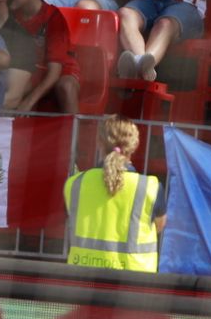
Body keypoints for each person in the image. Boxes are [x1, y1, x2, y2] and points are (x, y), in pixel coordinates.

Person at [64, 115, 162, 271]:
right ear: (135, 144)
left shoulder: (74, 184)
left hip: (82, 274)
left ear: (99, 142)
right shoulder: (150, 187)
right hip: (134, 277)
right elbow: (159, 226)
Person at [1, 0, 79, 112]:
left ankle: (75, 127)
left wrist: (29, 101)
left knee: (66, 87)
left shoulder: (53, 17)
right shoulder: (9, 14)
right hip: (28, 70)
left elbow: (54, 72)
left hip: (58, 71)